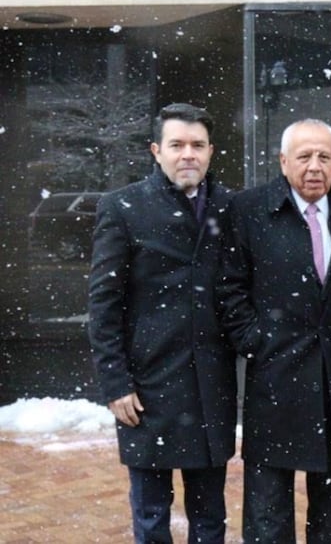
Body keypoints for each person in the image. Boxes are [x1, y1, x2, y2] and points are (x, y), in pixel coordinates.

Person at [216, 118, 331, 544]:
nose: (314, 166)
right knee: (268, 512)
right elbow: (229, 288)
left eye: (324, 157)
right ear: (283, 161)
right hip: (275, 376)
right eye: (304, 156)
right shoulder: (249, 210)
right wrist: (255, 340)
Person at [88, 102, 236, 543]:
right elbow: (104, 303)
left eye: (197, 145)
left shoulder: (231, 207)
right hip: (147, 386)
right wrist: (115, 382)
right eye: (177, 145)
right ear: (156, 150)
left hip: (211, 385)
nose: (188, 154)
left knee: (210, 517)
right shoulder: (123, 207)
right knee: (152, 517)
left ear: (210, 151)